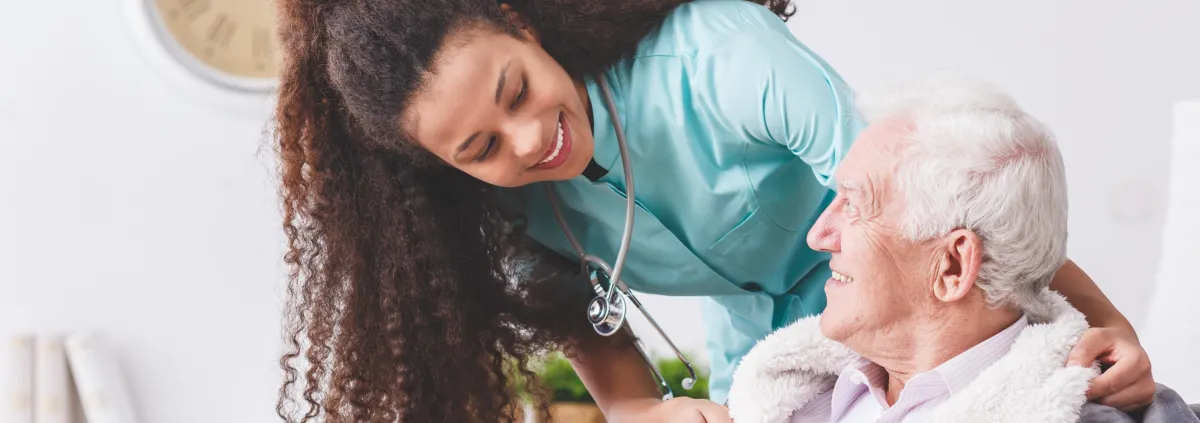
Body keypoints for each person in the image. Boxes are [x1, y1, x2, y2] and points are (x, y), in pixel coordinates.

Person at [270, 0, 1155, 421]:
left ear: (522, 25)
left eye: (517, 90)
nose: (530, 138)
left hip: (914, 299)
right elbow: (600, 348)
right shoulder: (523, 218)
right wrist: (644, 413)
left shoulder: (722, 60)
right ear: (446, 170)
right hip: (771, 355)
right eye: (480, 149)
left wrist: (1103, 316)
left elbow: (942, 196)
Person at [725, 74, 1196, 423]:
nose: (818, 236)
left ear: (951, 265)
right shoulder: (786, 394)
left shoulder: (1103, 415)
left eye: (854, 204)